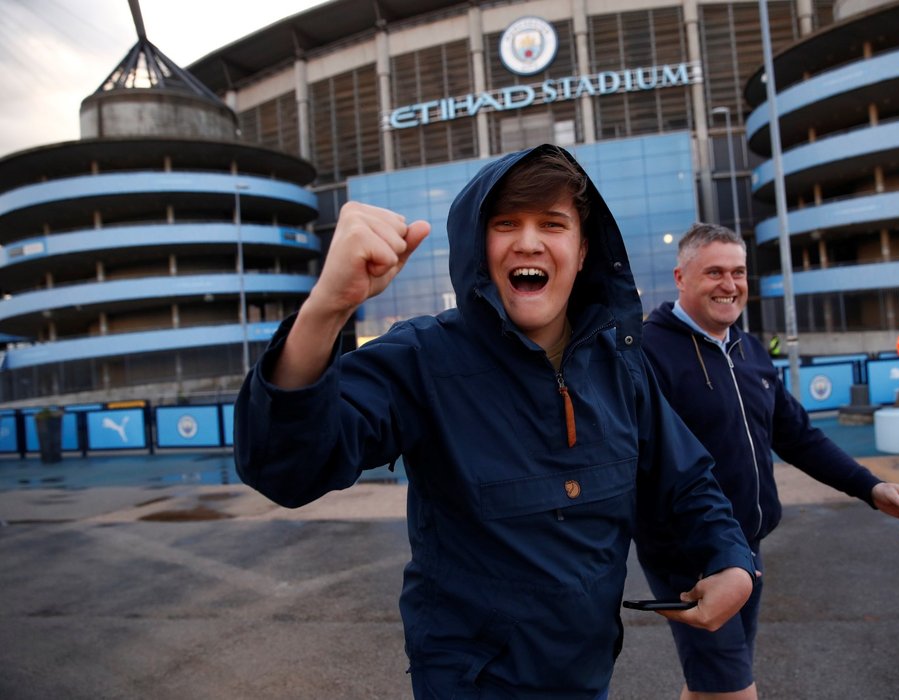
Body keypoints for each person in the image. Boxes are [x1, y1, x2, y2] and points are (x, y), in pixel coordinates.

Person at [234, 146, 756, 700]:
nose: (528, 241)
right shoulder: (422, 357)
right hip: (471, 685)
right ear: (479, 250)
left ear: (583, 253)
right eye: (506, 223)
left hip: (589, 677)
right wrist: (326, 308)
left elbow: (688, 481)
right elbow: (285, 467)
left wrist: (731, 560)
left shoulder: (621, 364)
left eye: (552, 224)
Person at [639, 222, 899, 700]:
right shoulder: (648, 352)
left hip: (748, 546)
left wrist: (871, 488)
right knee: (732, 690)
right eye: (714, 272)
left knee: (712, 684)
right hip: (688, 553)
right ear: (681, 277)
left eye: (738, 272)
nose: (730, 285)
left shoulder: (749, 351)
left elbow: (799, 437)